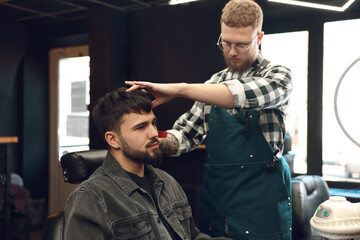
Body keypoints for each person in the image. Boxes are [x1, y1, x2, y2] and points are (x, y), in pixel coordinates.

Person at [125, 0, 293, 239]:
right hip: (218, 200)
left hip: (261, 202)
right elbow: (184, 135)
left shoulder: (278, 75)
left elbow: (241, 94)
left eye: (242, 44)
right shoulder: (212, 84)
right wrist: (150, 139)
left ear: (259, 38)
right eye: (226, 43)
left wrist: (179, 89)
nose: (232, 52)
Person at [63, 87, 230, 240]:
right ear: (113, 139)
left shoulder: (166, 182)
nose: (154, 133)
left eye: (153, 123)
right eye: (141, 127)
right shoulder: (91, 198)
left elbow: (192, 236)